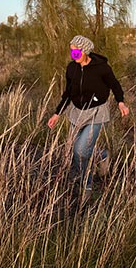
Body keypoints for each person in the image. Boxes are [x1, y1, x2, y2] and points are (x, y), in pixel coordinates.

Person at [46, 35, 130, 191]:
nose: (73, 55)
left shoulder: (102, 68)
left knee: (81, 150)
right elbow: (68, 93)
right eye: (72, 51)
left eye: (76, 51)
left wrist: (121, 103)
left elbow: (115, 85)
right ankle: (101, 155)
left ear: (84, 51)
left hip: (96, 113)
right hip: (76, 112)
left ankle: (87, 184)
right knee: (73, 148)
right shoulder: (72, 68)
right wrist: (57, 114)